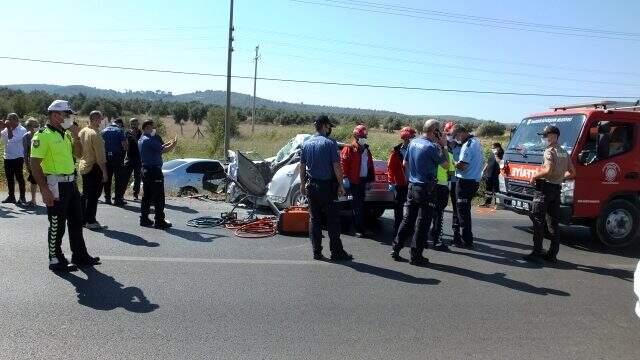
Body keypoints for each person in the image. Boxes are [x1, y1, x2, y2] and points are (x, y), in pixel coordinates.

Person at [30, 100, 100, 271]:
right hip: (55, 184)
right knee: (57, 224)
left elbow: (78, 154)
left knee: (77, 221)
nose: (70, 118)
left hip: (71, 183)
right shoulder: (42, 135)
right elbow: (34, 164)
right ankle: (55, 259)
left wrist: (76, 137)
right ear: (55, 115)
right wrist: (44, 189)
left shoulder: (67, 134)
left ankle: (80, 255)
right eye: (66, 114)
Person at [391, 119, 449, 266]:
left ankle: (396, 248)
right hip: (426, 188)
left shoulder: (413, 143)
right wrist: (444, 146)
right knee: (423, 223)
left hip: (412, 185)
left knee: (408, 219)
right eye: (439, 130)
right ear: (435, 131)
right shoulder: (431, 147)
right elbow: (446, 165)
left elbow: (405, 163)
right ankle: (416, 256)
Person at [300, 115, 353, 261]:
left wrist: (302, 184)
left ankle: (316, 251)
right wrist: (341, 185)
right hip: (327, 187)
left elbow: (302, 166)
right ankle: (336, 252)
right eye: (329, 126)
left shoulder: (306, 143)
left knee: (315, 219)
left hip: (311, 186)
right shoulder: (330, 143)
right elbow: (336, 166)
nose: (329, 129)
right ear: (324, 126)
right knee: (333, 220)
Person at [524, 125, 575, 263]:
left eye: (545, 136)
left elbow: (548, 169)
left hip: (544, 189)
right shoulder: (564, 152)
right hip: (556, 189)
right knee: (553, 224)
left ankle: (537, 253)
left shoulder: (549, 151)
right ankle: (552, 254)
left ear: (553, 136)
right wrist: (560, 177)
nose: (543, 138)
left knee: (538, 221)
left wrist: (534, 177)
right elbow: (573, 172)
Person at [138, 119, 176, 229]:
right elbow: (163, 150)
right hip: (154, 171)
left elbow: (159, 146)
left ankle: (144, 219)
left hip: (145, 170)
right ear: (146, 128)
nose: (153, 129)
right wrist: (173, 144)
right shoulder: (149, 140)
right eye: (151, 127)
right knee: (159, 197)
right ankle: (159, 220)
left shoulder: (142, 139)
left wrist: (168, 143)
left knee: (147, 196)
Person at [452, 124, 484, 248]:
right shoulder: (476, 141)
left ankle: (466, 240)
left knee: (462, 212)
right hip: (474, 180)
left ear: (461, 132)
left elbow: (463, 166)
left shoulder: (467, 146)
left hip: (465, 181)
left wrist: (454, 163)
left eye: (456, 136)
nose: (456, 139)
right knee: (465, 210)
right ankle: (467, 238)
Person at [341, 124, 374, 238]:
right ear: (356, 136)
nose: (364, 138)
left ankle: (361, 228)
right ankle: (355, 229)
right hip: (353, 182)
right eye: (362, 136)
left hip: (362, 181)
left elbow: (369, 165)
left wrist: (370, 180)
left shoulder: (366, 150)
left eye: (365, 136)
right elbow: (343, 164)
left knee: (360, 205)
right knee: (355, 206)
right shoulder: (349, 148)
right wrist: (345, 178)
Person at [78, 111, 108, 230]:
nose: (101, 121)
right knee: (93, 196)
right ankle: (90, 220)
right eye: (100, 119)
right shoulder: (95, 134)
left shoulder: (83, 131)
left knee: (86, 194)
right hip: (94, 167)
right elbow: (100, 158)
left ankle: (83, 219)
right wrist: (105, 173)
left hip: (84, 165)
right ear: (95, 119)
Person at [387, 126, 416, 235]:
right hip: (400, 184)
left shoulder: (416, 150)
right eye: (411, 137)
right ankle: (398, 228)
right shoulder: (396, 152)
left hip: (413, 183)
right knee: (398, 207)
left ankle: (410, 229)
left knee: (412, 208)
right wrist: (391, 182)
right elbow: (391, 168)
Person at [430, 142, 455, 251]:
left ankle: (424, 239)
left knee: (426, 213)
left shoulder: (429, 154)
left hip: (429, 186)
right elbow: (452, 172)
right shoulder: (448, 155)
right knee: (439, 215)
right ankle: (437, 241)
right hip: (442, 187)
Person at [1, 113, 28, 204]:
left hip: (17, 157)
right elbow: (2, 137)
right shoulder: (7, 128)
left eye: (10, 120)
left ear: (16, 120)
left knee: (19, 178)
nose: (8, 121)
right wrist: (1, 127)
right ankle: (11, 197)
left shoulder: (22, 130)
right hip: (7, 156)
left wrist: (8, 128)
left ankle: (22, 197)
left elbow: (11, 138)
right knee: (9, 178)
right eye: (8, 119)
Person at [101, 118, 127, 206]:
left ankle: (107, 198)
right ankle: (117, 199)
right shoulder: (119, 131)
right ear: (119, 124)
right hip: (117, 157)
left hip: (106, 157)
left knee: (107, 178)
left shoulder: (103, 131)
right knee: (118, 179)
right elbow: (124, 146)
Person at [444, 121, 462, 244]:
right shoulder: (440, 145)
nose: (449, 136)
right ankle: (436, 231)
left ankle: (456, 233)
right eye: (447, 133)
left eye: (451, 133)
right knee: (438, 208)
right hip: (442, 181)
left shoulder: (461, 147)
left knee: (456, 208)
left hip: (455, 181)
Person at [121, 117, 143, 200]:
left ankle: (135, 195)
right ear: (130, 124)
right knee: (125, 176)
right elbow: (125, 144)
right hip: (129, 157)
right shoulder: (127, 132)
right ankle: (121, 194)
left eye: (136, 123)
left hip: (138, 158)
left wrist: (135, 136)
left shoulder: (140, 133)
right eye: (133, 123)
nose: (135, 124)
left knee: (137, 177)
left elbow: (140, 144)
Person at [22, 117, 40, 207]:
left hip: (44, 162)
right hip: (32, 161)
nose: (28, 127)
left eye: (30, 125)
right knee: (33, 181)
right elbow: (25, 152)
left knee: (49, 182)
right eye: (27, 125)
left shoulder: (42, 134)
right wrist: (27, 164)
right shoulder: (25, 136)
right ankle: (33, 200)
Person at [481, 143, 504, 208]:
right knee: (488, 190)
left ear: (498, 148)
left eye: (493, 148)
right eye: (492, 148)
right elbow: (488, 162)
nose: (492, 149)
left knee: (496, 190)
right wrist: (483, 170)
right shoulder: (492, 153)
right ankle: (487, 203)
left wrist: (496, 154)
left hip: (496, 174)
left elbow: (500, 162)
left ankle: (497, 204)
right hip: (488, 173)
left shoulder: (501, 153)